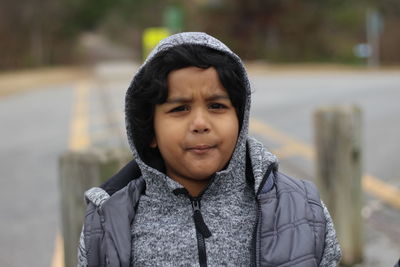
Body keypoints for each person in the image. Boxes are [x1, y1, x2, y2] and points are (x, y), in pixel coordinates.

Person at [78, 32, 341, 266]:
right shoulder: (108, 225)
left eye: (217, 106)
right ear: (150, 132)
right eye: (179, 109)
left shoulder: (303, 210)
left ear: (240, 119)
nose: (200, 124)